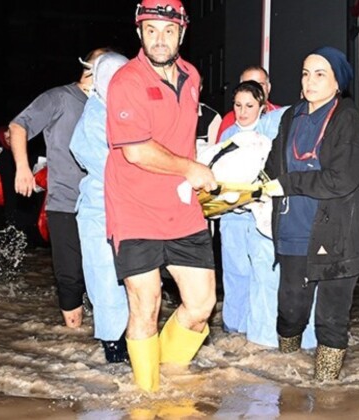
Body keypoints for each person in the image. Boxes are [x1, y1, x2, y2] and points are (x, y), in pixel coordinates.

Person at [105, 0, 217, 392]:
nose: (159, 39)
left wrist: (203, 164)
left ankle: (167, 376)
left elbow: (183, 138)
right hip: (133, 209)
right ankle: (147, 396)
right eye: (150, 30)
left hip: (182, 209)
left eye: (168, 31)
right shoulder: (126, 81)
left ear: (182, 33)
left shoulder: (191, 75)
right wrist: (190, 168)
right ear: (139, 32)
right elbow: (135, 150)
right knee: (146, 302)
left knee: (201, 306)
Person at [263, 46, 359, 381]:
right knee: (291, 312)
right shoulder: (290, 117)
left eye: (320, 74)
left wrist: (289, 183)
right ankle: (289, 380)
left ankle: (327, 392)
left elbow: (341, 179)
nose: (310, 81)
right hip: (294, 234)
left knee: (331, 319)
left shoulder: (349, 123)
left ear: (338, 82)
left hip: (338, 238)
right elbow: (273, 166)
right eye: (305, 73)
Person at [9, 47, 110, 328]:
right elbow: (18, 126)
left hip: (104, 203)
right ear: (93, 68)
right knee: (70, 277)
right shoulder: (59, 98)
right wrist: (23, 168)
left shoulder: (111, 103)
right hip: (65, 202)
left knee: (108, 276)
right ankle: (73, 341)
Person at [68, 51, 131, 363]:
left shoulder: (123, 110)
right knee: (105, 278)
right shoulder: (94, 115)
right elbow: (103, 162)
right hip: (100, 207)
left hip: (128, 207)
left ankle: (128, 344)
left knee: (131, 278)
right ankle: (114, 348)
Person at [217, 80, 288, 348]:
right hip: (231, 217)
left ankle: (263, 340)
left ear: (262, 106)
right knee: (235, 275)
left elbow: (296, 111)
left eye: (249, 106)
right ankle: (234, 331)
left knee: (264, 277)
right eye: (237, 105)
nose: (242, 111)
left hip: (261, 219)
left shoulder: (268, 130)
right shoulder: (227, 137)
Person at [216, 66, 281, 142]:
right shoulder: (229, 121)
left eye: (260, 85)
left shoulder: (282, 116)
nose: (254, 90)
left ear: (268, 87)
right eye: (248, 85)